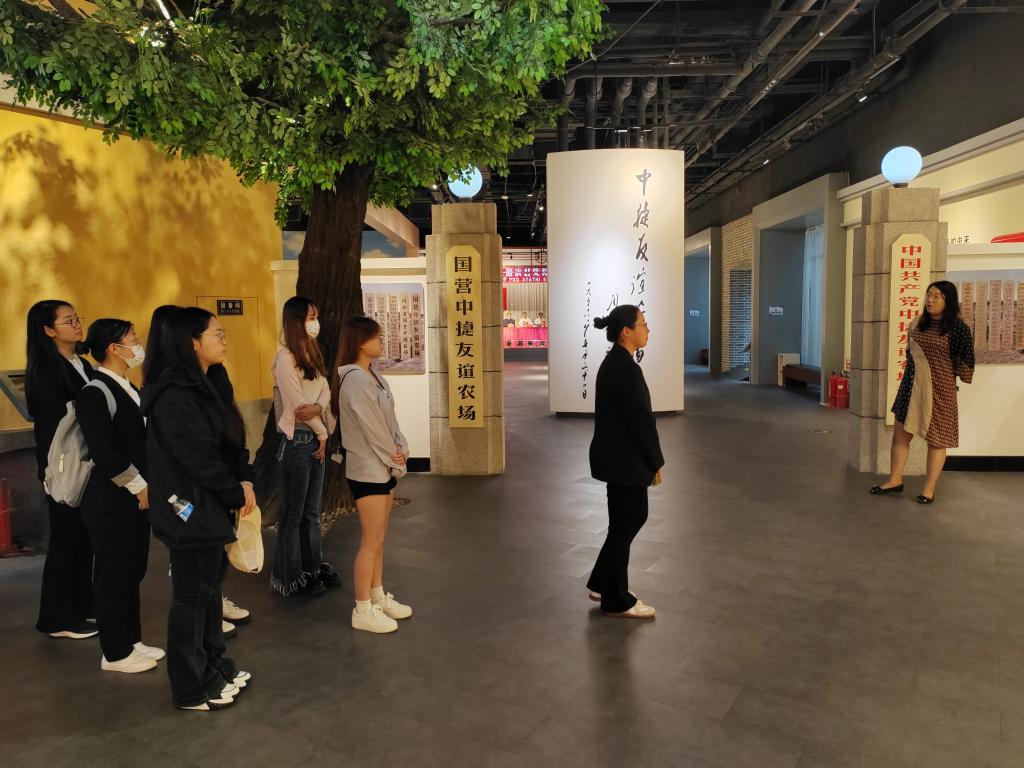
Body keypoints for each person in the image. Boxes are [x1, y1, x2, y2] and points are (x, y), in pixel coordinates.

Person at [141, 308, 254, 711]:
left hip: (212, 501)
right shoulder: (173, 395)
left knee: (210, 592)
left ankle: (214, 666)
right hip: (187, 507)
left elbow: (230, 441)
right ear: (192, 342)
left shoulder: (211, 381)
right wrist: (233, 491)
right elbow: (198, 458)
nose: (223, 340)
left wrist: (244, 478)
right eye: (216, 334)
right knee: (191, 597)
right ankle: (189, 688)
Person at [77, 319, 164, 673]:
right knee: (112, 575)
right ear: (114, 348)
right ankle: (114, 653)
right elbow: (105, 451)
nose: (138, 345)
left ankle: (131, 639)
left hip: (135, 499)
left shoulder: (129, 387)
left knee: (132, 570)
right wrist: (138, 485)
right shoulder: (94, 392)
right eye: (133, 339)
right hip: (110, 501)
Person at [333, 317, 411, 634]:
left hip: (382, 468)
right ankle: (362, 608)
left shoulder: (374, 376)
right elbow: (373, 429)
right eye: (377, 337)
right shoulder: (354, 380)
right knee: (370, 541)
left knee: (379, 538)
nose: (381, 341)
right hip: (367, 470)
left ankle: (377, 596)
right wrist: (394, 456)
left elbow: (390, 423)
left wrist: (401, 447)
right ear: (361, 342)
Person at [25, 300, 97, 640]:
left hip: (86, 461)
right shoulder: (46, 370)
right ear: (48, 330)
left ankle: (82, 606)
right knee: (65, 541)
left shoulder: (82, 363)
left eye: (77, 317)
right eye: (68, 320)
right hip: (63, 464)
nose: (77, 324)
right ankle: (56, 618)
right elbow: (57, 425)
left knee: (84, 540)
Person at [587, 304, 663, 619]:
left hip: (617, 458)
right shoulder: (624, 368)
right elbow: (641, 420)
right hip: (624, 460)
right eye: (642, 324)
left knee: (623, 523)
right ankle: (616, 600)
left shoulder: (617, 363)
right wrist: (656, 461)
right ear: (626, 332)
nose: (648, 329)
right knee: (629, 520)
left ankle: (602, 583)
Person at [870, 281, 975, 504]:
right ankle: (895, 480)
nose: (930, 300)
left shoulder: (958, 329)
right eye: (928, 295)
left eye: (937, 296)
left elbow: (966, 369)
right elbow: (910, 355)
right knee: (900, 435)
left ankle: (928, 489)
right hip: (910, 388)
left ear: (949, 300)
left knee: (937, 441)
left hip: (940, 392)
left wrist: (945, 369)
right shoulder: (917, 324)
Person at [270, 296, 339, 597]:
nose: (315, 323)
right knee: (293, 513)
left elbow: (325, 389)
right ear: (296, 321)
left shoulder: (311, 352)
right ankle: (288, 576)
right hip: (297, 441)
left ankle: (311, 569)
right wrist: (322, 432)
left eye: (315, 316)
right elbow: (298, 407)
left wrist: (318, 409)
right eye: (310, 317)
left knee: (311, 513)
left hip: (314, 440)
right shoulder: (285, 358)